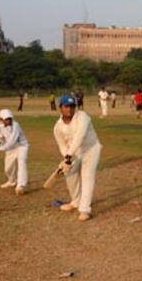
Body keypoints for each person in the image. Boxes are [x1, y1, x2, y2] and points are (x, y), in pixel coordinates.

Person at [53, 94, 102, 222]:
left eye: (71, 106)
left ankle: (84, 210)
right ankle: (75, 201)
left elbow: (80, 136)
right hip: (75, 153)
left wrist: (69, 155)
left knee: (87, 177)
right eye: (66, 106)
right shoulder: (57, 127)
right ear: (60, 108)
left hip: (91, 149)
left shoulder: (82, 116)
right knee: (70, 174)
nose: (69, 109)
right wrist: (66, 158)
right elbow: (62, 145)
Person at [0, 109, 29, 196]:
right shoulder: (1, 125)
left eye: (9, 118)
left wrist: (0, 148)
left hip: (22, 146)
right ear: (1, 119)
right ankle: (12, 181)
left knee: (22, 163)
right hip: (11, 149)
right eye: (6, 119)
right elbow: (1, 135)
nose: (8, 121)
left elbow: (11, 141)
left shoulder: (16, 125)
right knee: (8, 168)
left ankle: (20, 185)